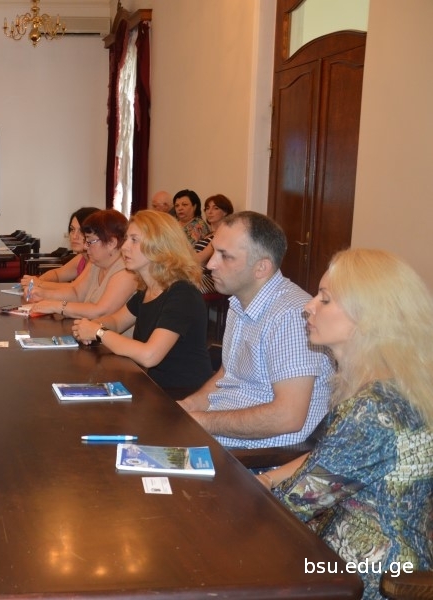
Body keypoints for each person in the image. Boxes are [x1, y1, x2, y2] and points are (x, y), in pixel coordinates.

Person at [259, 249, 433, 599]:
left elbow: (296, 503)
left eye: (325, 299)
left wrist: (238, 497)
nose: (308, 307)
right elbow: (333, 461)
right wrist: (265, 478)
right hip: (399, 557)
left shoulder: (372, 409)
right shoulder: (402, 386)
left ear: (367, 319)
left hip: (367, 575)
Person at [177, 211, 331, 448]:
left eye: (225, 256)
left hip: (257, 454)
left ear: (261, 268)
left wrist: (202, 421)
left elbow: (288, 416)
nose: (210, 264)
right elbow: (228, 374)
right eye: (214, 251)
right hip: (223, 436)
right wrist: (188, 406)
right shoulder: (239, 302)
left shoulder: (291, 315)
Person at [73, 210, 213, 392]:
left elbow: (150, 355)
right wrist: (90, 327)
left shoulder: (182, 294)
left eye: (134, 240)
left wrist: (98, 332)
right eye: (126, 239)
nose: (124, 247)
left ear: (160, 246)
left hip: (181, 396)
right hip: (152, 387)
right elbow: (117, 321)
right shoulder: (147, 290)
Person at [27, 210, 139, 320]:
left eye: (90, 241)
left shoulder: (127, 272)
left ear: (111, 243)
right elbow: (76, 294)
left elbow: (100, 311)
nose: (85, 246)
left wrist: (56, 306)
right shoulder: (97, 263)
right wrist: (44, 295)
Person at [19, 206, 99, 290]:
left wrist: (39, 283)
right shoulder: (82, 258)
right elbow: (57, 274)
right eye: (72, 229)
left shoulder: (95, 262)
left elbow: (75, 289)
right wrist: (37, 281)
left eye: (81, 231)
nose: (74, 236)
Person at [193, 194, 234, 294]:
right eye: (207, 208)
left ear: (225, 212)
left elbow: (201, 259)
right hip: (195, 273)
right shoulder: (208, 234)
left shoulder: (222, 234)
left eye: (215, 208)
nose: (210, 212)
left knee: (177, 285)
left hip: (209, 277)